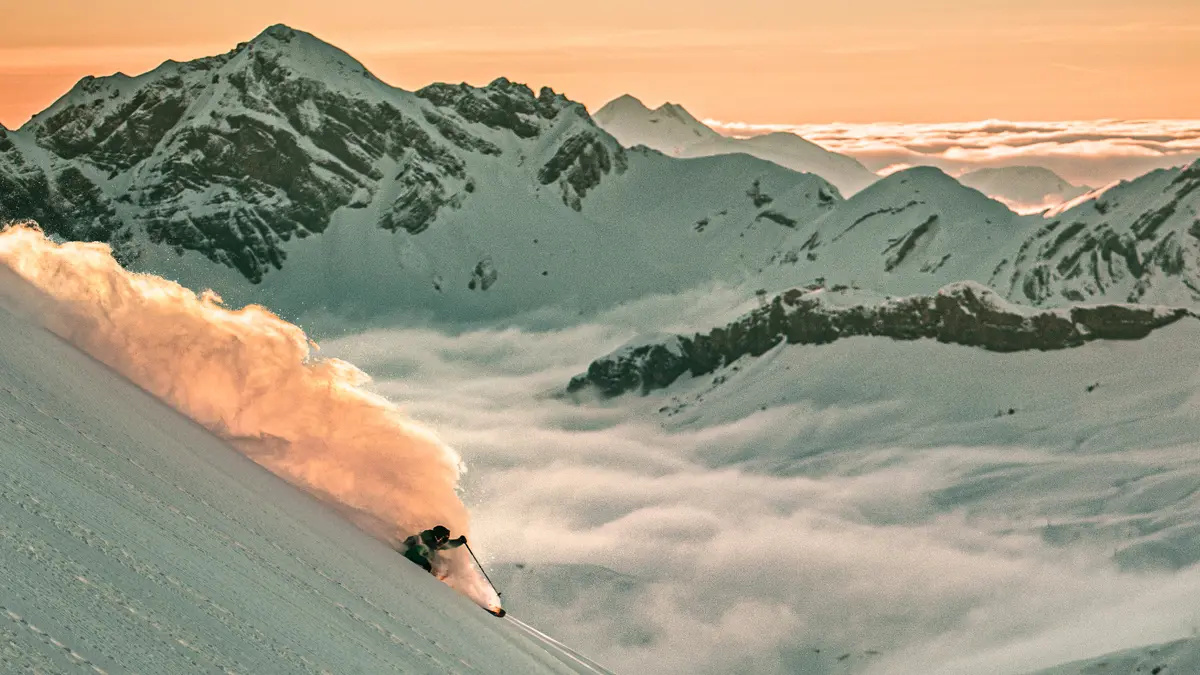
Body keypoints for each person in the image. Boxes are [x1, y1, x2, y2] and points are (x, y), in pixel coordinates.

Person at [401, 525, 467, 574]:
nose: (443, 542)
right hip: (410, 568)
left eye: (445, 540)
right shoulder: (422, 543)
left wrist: (459, 541)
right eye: (443, 539)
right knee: (437, 561)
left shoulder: (432, 544)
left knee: (447, 563)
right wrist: (425, 563)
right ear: (437, 537)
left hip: (421, 560)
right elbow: (411, 553)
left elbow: (449, 544)